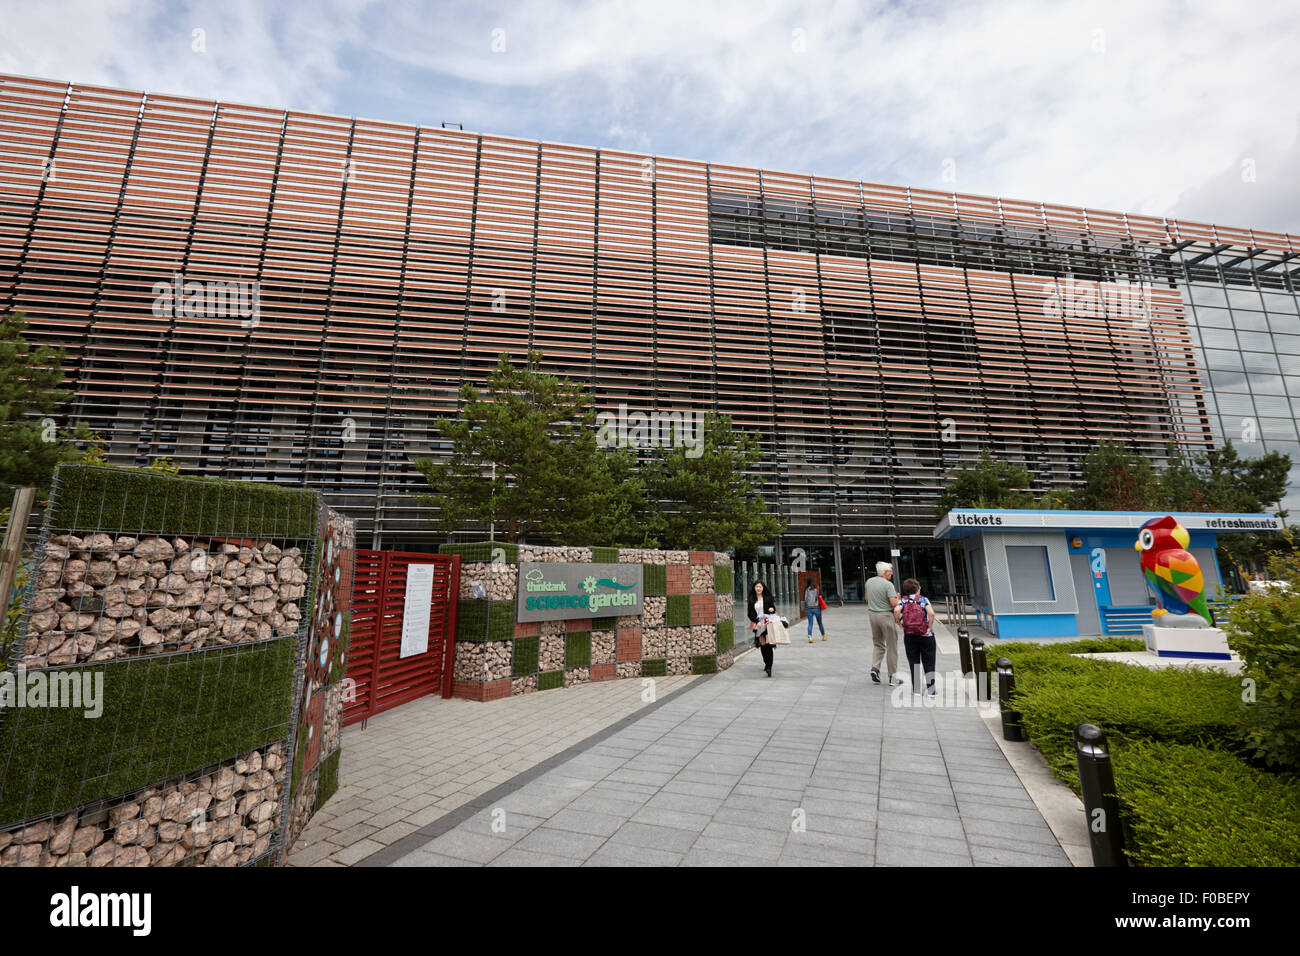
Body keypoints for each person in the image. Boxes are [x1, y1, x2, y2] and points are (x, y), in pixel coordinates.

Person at [895, 578, 937, 698]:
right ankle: (931, 690)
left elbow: (896, 610)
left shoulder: (903, 600)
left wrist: (899, 623)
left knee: (914, 662)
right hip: (926, 635)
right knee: (929, 662)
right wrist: (929, 628)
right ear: (918, 588)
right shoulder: (923, 599)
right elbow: (931, 613)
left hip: (910, 635)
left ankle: (917, 690)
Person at [866, 561, 901, 685]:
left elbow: (866, 598)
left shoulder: (869, 582)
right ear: (886, 573)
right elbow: (893, 603)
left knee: (878, 644)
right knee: (892, 646)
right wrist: (897, 597)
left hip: (872, 615)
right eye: (890, 572)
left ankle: (875, 668)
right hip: (885, 615)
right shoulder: (888, 584)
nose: (891, 575)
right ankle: (892, 676)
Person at [747, 580, 777, 677]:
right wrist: (757, 621)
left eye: (760, 587)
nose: (758, 588)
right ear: (754, 588)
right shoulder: (752, 599)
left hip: (768, 624)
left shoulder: (768, 598)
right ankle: (766, 662)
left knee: (769, 645)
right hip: (758, 625)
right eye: (757, 587)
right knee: (763, 645)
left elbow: (773, 608)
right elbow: (750, 614)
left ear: (763, 588)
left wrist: (772, 609)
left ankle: (769, 666)